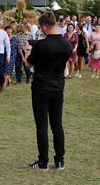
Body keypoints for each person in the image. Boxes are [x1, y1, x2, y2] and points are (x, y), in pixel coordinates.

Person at [24, 11, 72, 171]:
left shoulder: (41, 45)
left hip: (40, 88)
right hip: (58, 88)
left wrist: (28, 50)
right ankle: (59, 161)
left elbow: (27, 64)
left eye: (41, 27)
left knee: (42, 126)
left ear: (45, 27)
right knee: (57, 125)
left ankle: (43, 162)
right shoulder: (67, 45)